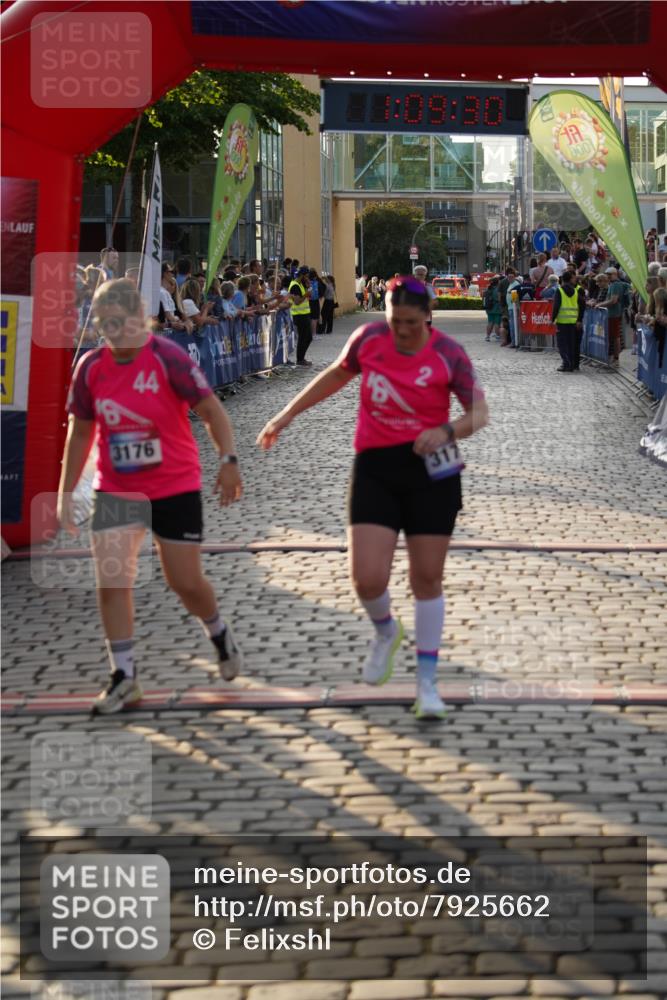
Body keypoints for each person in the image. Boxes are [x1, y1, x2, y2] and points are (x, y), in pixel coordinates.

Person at [257, 276, 489, 719]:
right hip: (376, 468)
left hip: (432, 471)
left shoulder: (448, 353)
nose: (400, 330)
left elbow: (479, 412)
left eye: (409, 323)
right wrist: (286, 414)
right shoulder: (369, 338)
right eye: (392, 319)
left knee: (426, 578)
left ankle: (426, 684)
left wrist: (446, 430)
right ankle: (385, 630)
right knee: (366, 578)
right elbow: (335, 377)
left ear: (428, 317)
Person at [57, 279, 244, 714]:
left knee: (185, 583)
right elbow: (80, 430)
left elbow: (212, 410)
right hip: (117, 488)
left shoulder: (168, 358)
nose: (114, 334)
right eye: (104, 326)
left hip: (173, 485)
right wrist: (66, 490)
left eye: (121, 324)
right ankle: (123, 676)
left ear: (142, 319)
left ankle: (217, 632)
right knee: (112, 581)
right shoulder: (91, 367)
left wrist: (229, 460)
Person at [596, 266, 629, 365]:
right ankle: (613, 357)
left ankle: (616, 359)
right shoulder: (613, 284)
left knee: (615, 337)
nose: (608, 276)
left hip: (614, 314)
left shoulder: (615, 285)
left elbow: (613, 300)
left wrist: (600, 304)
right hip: (612, 314)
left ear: (615, 274)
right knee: (613, 336)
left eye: (610, 274)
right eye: (607, 274)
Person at [551, 269, 582, 372]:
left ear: (562, 279)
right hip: (572, 322)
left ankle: (566, 363)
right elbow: (581, 304)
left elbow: (556, 306)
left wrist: (552, 319)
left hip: (562, 322)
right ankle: (572, 364)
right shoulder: (575, 291)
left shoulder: (559, 290)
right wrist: (579, 319)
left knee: (562, 344)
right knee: (571, 344)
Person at [290, 266, 313, 366]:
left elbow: (308, 296)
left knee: (308, 337)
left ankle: (301, 358)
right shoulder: (295, 285)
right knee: (304, 337)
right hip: (299, 316)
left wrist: (308, 286)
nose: (307, 278)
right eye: (306, 276)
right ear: (302, 275)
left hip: (305, 314)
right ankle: (300, 359)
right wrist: (306, 295)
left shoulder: (301, 284)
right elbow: (297, 301)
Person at [483, 276, 502, 341]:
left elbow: (484, 297)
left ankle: (487, 336)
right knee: (497, 323)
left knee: (490, 322)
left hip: (489, 308)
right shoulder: (497, 289)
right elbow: (499, 299)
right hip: (497, 308)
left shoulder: (488, 288)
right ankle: (497, 336)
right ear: (498, 282)